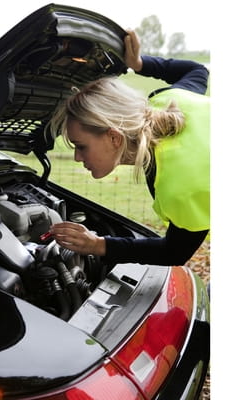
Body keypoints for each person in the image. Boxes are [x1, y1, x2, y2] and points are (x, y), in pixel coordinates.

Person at [47, 30, 210, 266]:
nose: (76, 157)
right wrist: (140, 64)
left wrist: (98, 245)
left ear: (114, 137)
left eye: (81, 146)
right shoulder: (170, 100)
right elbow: (197, 70)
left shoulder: (180, 188)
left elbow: (174, 252)